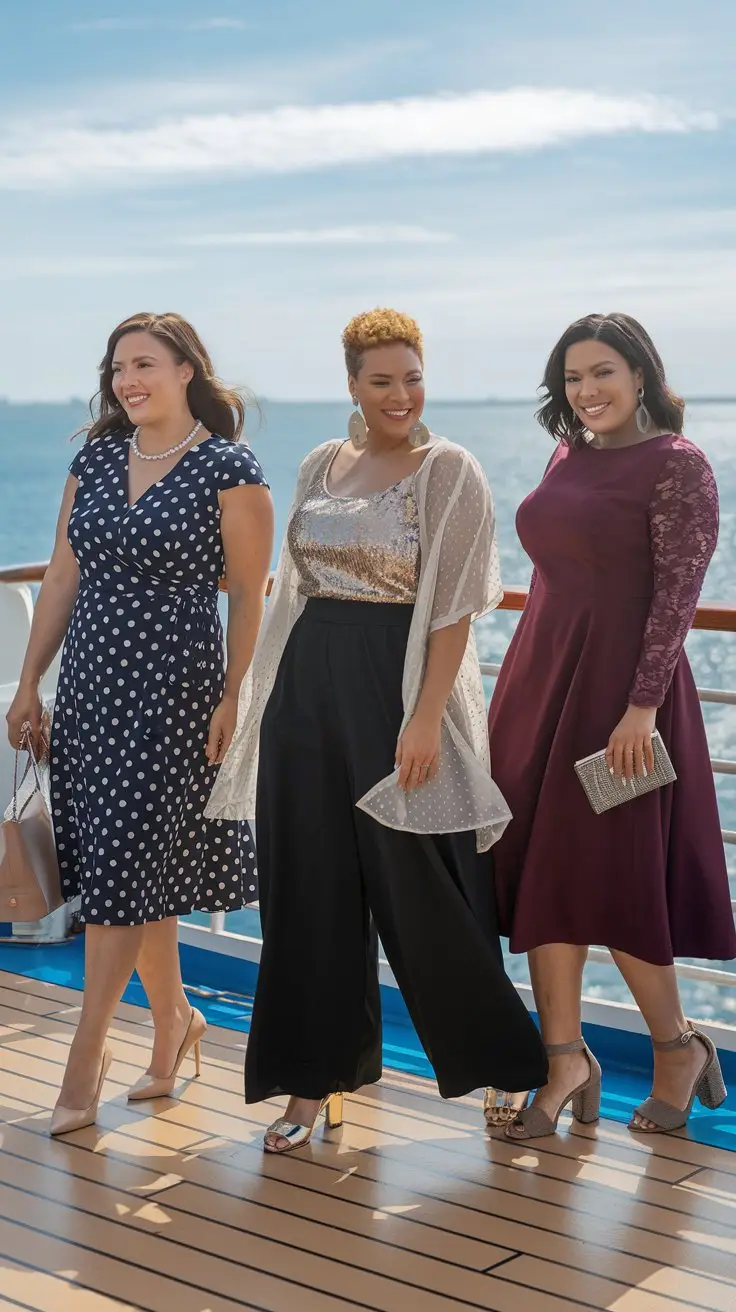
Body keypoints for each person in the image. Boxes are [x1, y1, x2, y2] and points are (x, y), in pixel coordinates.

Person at [207, 307, 548, 1153]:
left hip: (395, 686)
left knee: (426, 887)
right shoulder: (324, 460)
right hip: (305, 687)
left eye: (414, 376)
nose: (402, 395)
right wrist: (253, 696)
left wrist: (426, 717)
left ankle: (507, 1066)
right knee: (307, 891)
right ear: (352, 385)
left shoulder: (450, 470)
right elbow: (294, 586)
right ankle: (309, 1084)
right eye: (382, 380)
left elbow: (457, 610)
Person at [6, 311, 273, 1135]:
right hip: (90, 691)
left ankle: (83, 1063)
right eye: (118, 366)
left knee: (125, 874)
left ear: (187, 369)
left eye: (145, 364)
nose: (128, 380)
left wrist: (235, 696)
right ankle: (175, 1025)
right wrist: (28, 686)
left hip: (175, 695)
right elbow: (60, 579)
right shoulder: (94, 457)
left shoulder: (229, 468)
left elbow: (247, 596)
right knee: (130, 872)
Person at [486, 312, 734, 1139]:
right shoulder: (569, 455)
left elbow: (678, 597)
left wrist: (639, 707)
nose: (587, 392)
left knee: (618, 882)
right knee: (541, 879)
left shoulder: (679, 466)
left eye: (602, 373)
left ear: (641, 374)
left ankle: (676, 1047)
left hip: (623, 701)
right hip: (538, 684)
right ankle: (562, 1059)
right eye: (572, 379)